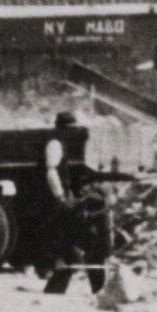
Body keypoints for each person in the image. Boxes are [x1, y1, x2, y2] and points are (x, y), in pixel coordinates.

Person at [40, 110, 110, 294]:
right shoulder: (55, 144)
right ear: (63, 128)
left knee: (73, 245)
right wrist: (61, 197)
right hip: (58, 201)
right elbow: (51, 171)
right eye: (70, 128)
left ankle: (60, 287)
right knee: (73, 243)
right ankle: (91, 286)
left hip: (63, 199)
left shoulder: (62, 143)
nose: (73, 132)